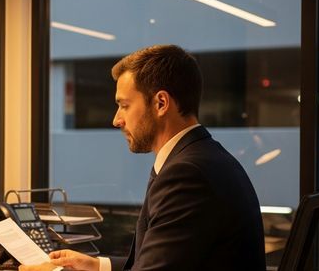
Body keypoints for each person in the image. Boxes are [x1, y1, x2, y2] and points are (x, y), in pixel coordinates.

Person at [21, 45, 266, 270]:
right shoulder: (204, 158)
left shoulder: (188, 174)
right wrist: (97, 265)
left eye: (125, 105)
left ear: (161, 103)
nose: (116, 120)